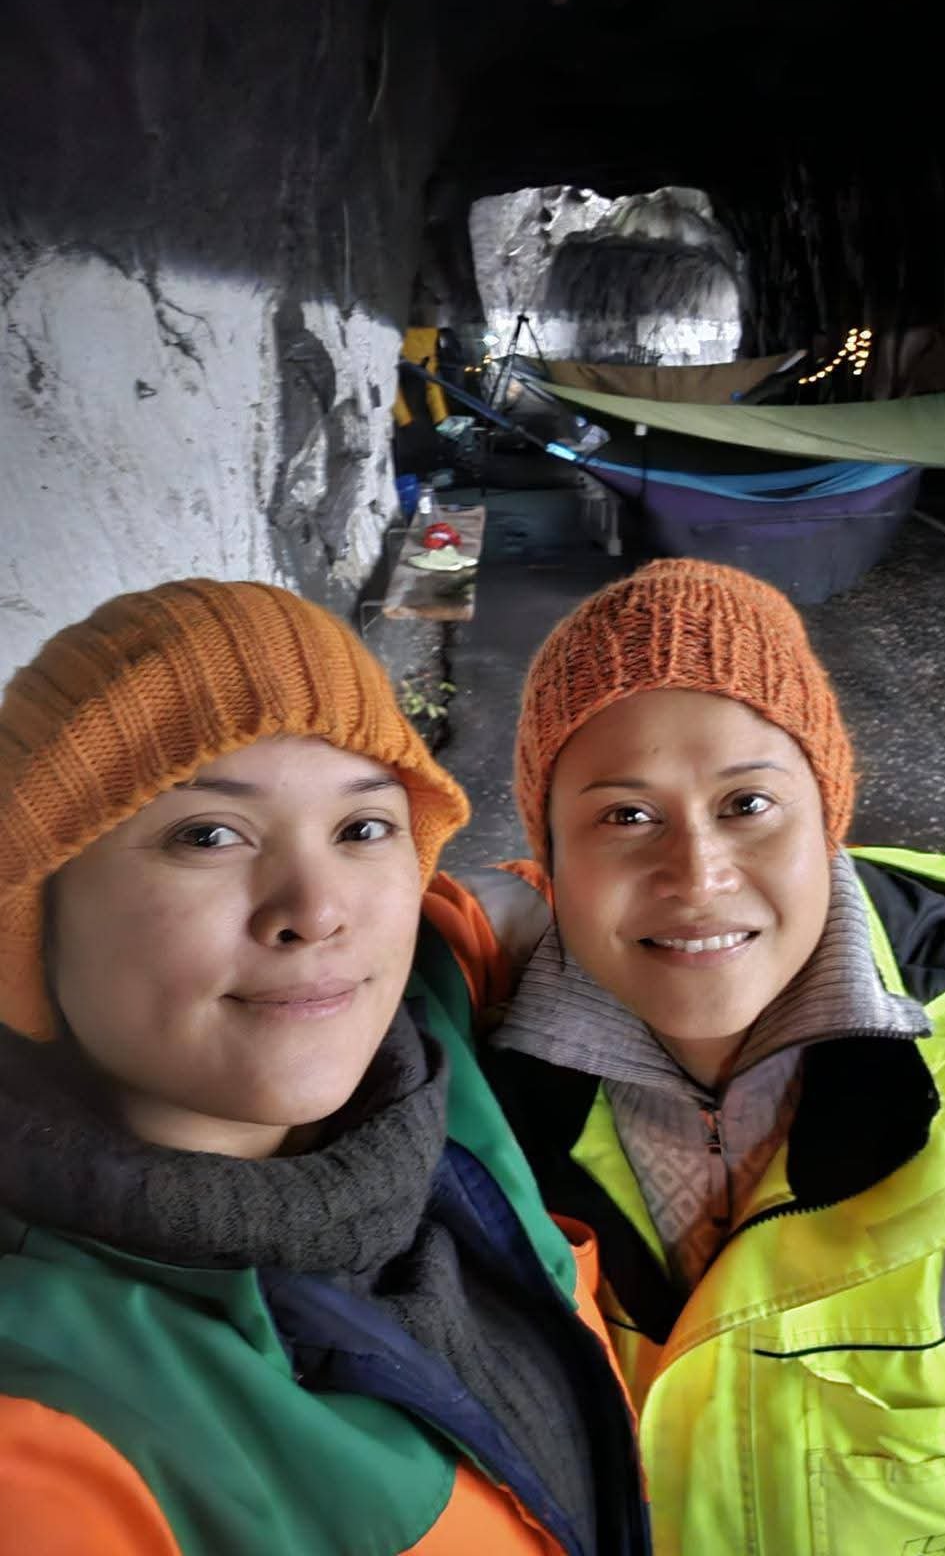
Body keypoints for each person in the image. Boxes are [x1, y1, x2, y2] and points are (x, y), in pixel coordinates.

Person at [425, 558, 945, 1556]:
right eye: (625, 815)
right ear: (550, 857)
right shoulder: (459, 1108)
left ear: (827, 822)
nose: (697, 873)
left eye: (748, 804)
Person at [0, 578, 647, 1556]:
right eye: (209, 835)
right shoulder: (47, 1436)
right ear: (35, 914)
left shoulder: (429, 1037)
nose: (317, 907)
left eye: (362, 828)